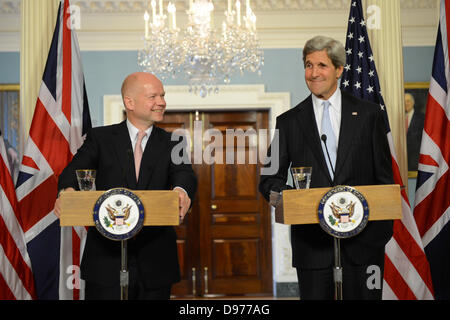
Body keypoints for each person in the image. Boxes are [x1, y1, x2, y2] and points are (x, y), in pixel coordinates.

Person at [259, 36, 394, 300]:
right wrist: (290, 200)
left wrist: (378, 235)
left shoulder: (369, 115)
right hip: (312, 245)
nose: (313, 73)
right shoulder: (288, 122)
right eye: (308, 65)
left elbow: (384, 179)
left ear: (339, 70)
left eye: (321, 65)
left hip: (364, 245)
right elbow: (268, 180)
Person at [54, 72, 197, 300]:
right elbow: (73, 171)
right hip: (106, 262)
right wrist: (67, 192)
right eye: (153, 96)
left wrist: (181, 191)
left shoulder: (174, 142)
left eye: (162, 95)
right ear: (129, 102)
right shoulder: (100, 138)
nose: (161, 102)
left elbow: (184, 175)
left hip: (156, 261)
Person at [404, 92, 424, 171]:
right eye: (404, 101)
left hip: (416, 159)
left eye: (408, 101)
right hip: (403, 159)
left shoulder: (422, 118)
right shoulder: (398, 117)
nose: (406, 103)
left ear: (413, 102)